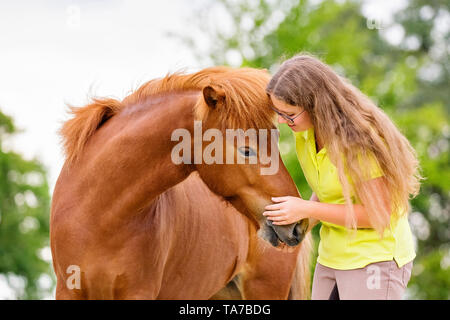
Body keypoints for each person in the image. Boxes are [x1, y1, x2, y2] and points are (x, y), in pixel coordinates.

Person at [263, 54, 421, 300]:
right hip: (332, 256)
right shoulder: (305, 132)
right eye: (278, 112)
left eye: (289, 114)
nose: (283, 121)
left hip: (374, 261)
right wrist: (302, 225)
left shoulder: (360, 144)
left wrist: (305, 209)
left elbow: (376, 215)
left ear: (314, 104)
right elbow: (330, 191)